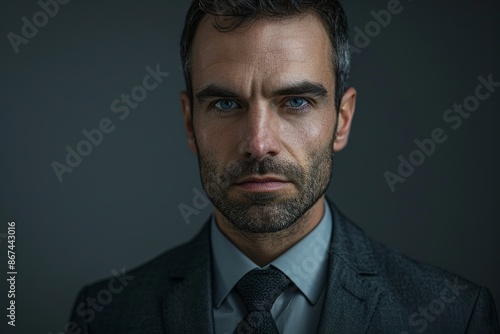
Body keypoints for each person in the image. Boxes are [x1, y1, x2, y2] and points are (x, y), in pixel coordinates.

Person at [67, 0, 499, 333]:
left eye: (296, 102)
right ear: (189, 122)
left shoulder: (457, 317)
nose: (258, 144)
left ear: (342, 120)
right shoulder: (106, 316)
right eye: (224, 103)